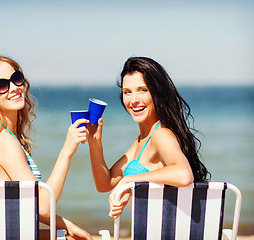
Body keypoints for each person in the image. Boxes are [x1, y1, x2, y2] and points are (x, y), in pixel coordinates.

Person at [0, 55, 92, 240]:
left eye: (16, 79)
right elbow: (42, 205)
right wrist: (67, 150)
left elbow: (31, 207)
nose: (14, 88)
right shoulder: (4, 142)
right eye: (1, 85)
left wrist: (68, 226)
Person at [87, 56, 210, 219]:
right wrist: (95, 143)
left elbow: (184, 174)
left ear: (157, 92)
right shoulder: (142, 140)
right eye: (127, 92)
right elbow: (105, 183)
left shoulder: (161, 134)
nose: (134, 100)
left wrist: (128, 181)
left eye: (143, 90)